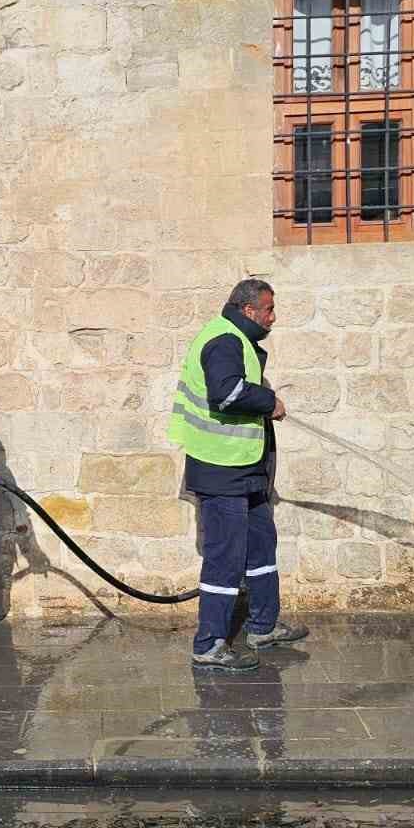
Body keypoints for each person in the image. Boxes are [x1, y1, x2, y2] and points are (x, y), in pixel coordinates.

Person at [169, 279, 308, 671]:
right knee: (225, 558)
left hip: (246, 468)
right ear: (248, 310)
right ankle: (209, 643)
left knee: (262, 544)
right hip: (220, 470)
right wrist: (270, 402)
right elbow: (226, 393)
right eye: (268, 310)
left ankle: (263, 626)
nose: (272, 318)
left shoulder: (238, 340)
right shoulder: (223, 340)